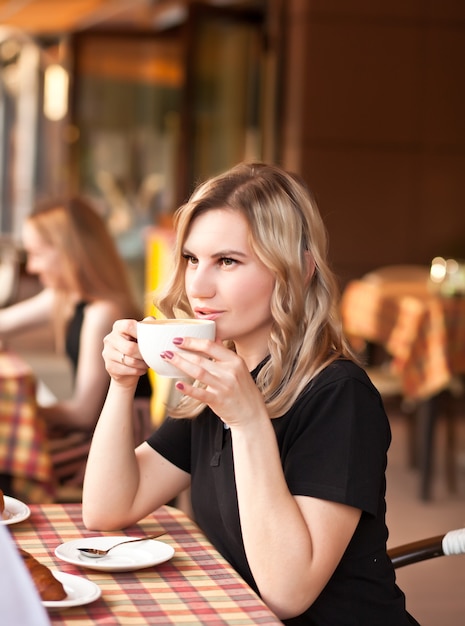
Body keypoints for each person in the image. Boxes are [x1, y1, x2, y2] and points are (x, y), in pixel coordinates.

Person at [82, 163, 419, 625]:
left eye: (228, 261)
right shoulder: (219, 382)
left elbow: (286, 593)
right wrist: (121, 385)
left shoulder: (340, 397)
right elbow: (107, 509)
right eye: (192, 259)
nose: (198, 285)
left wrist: (247, 419)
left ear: (298, 270)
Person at [0, 197, 151, 494]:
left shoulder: (102, 313)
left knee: (14, 464)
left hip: (119, 440)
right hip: (95, 429)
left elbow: (83, 414)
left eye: (37, 254)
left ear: (70, 253)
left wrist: (27, 409)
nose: (31, 266)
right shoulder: (66, 297)